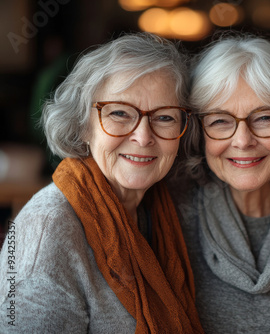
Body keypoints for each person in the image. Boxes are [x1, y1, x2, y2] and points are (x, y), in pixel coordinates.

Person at [0, 33, 203, 333]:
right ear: (83, 126)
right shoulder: (50, 233)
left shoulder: (162, 209)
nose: (143, 136)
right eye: (120, 113)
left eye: (164, 118)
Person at [175, 34, 270, 333]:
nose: (243, 141)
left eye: (265, 118)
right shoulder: (170, 216)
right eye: (220, 121)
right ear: (199, 132)